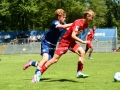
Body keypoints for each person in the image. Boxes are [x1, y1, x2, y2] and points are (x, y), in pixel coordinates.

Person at [33, 9, 95, 83]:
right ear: (87, 16)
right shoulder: (78, 22)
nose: (92, 19)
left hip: (71, 42)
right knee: (54, 60)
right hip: (65, 42)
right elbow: (73, 35)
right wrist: (83, 41)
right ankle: (39, 73)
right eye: (92, 17)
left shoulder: (86, 25)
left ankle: (79, 72)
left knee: (82, 52)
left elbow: (73, 32)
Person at [23, 9, 72, 82]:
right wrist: (74, 23)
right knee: (45, 59)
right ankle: (35, 77)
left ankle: (31, 62)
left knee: (47, 62)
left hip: (53, 45)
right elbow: (63, 27)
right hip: (46, 43)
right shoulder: (55, 23)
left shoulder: (64, 23)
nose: (65, 19)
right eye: (63, 17)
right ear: (59, 17)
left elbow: (68, 29)